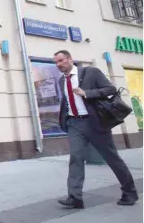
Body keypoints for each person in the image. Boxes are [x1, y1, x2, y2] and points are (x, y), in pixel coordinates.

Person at [54, 50, 138, 208]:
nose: (58, 64)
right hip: (74, 124)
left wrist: (87, 93)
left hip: (94, 122)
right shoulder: (61, 81)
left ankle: (129, 192)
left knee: (112, 158)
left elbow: (110, 90)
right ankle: (75, 198)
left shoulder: (90, 72)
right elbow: (66, 100)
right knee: (76, 159)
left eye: (61, 60)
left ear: (70, 59)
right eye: (56, 62)